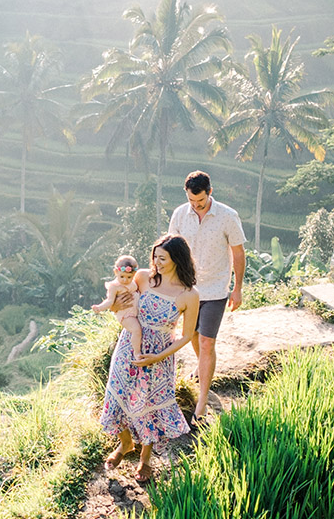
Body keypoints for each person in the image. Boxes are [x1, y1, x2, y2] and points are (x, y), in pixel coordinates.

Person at [99, 235, 200, 482]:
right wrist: (112, 305)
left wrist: (156, 358)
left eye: (162, 258)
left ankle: (145, 458)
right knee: (117, 396)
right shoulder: (143, 277)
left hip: (160, 357)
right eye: (155, 256)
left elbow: (186, 336)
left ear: (177, 259)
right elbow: (118, 303)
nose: (157, 262)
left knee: (147, 407)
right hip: (129, 348)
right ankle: (125, 445)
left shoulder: (189, 294)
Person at [168, 170, 246, 421]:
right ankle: (204, 368)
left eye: (200, 201)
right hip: (187, 288)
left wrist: (238, 288)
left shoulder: (227, 216)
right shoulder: (180, 214)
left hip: (215, 290)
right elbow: (171, 250)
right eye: (192, 201)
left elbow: (238, 253)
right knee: (191, 335)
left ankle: (202, 400)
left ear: (209, 192)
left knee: (206, 342)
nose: (196, 206)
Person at [92, 255, 143, 356]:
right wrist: (99, 307)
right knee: (136, 330)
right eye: (122, 276)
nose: (125, 280)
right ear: (116, 272)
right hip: (126, 314)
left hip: (135, 311)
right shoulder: (115, 287)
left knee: (139, 330)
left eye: (129, 277)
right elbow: (110, 301)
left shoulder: (133, 282)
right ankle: (137, 352)